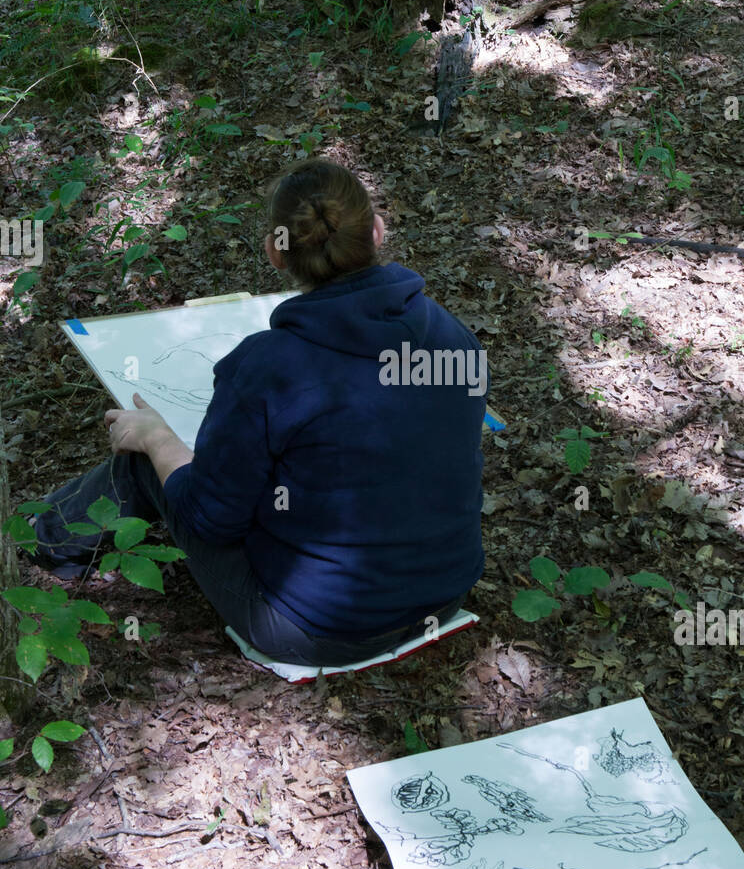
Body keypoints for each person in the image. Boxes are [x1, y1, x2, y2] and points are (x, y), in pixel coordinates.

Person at [28, 159, 487, 669]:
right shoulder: (451, 335)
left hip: (313, 627)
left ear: (276, 251)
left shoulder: (268, 364)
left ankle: (34, 540)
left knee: (146, 452)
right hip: (447, 595)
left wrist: (159, 441)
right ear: (377, 232)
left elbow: (211, 519)